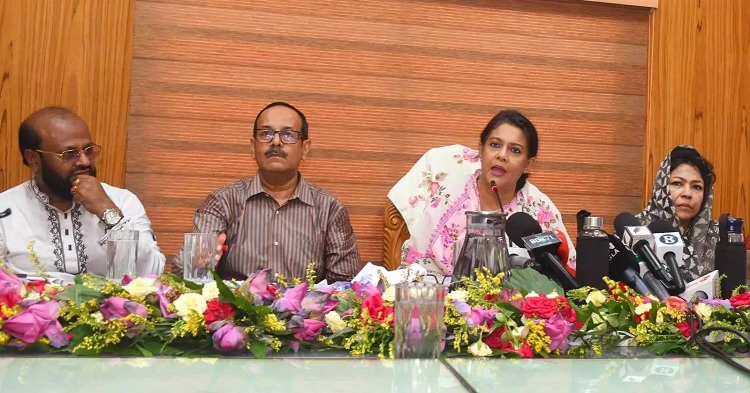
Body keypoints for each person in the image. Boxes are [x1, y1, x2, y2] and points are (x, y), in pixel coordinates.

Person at [175, 102, 361, 282]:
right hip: (239, 312)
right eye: (266, 134)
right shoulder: (222, 202)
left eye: (288, 134)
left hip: (305, 313)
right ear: (252, 147)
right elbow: (183, 276)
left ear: (305, 148)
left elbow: (346, 286)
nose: (276, 141)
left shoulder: (329, 209)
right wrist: (198, 264)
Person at [389, 109, 576, 281]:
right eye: (495, 145)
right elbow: (415, 267)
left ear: (528, 164)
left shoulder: (539, 209)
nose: (502, 155)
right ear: (481, 149)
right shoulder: (450, 198)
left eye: (515, 150)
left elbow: (565, 276)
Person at [0, 107, 165, 282]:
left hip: (112, 308)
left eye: (88, 150)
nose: (85, 161)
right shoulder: (5, 209)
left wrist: (108, 212)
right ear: (33, 159)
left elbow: (152, 274)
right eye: (69, 154)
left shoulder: (122, 201)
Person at [636, 145, 718, 281]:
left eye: (696, 187)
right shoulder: (635, 231)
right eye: (677, 183)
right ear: (661, 187)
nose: (687, 194)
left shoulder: (717, 236)